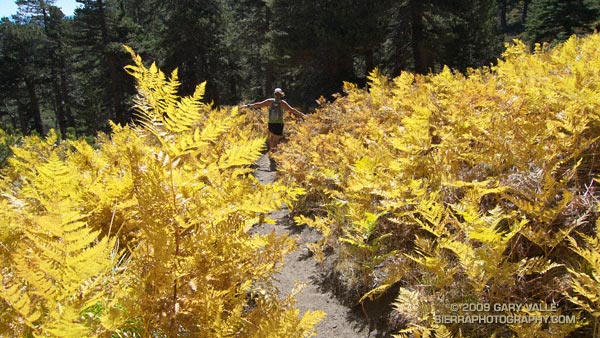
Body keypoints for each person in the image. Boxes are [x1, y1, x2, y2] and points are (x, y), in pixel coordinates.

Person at [240, 88, 307, 152]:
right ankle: (273, 153)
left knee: (272, 139)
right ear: (281, 94)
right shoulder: (282, 103)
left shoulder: (269, 101)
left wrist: (247, 106)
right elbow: (292, 110)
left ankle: (271, 153)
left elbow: (258, 104)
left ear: (274, 94)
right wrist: (303, 115)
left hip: (271, 123)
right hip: (279, 123)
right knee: (276, 139)